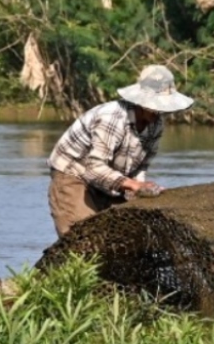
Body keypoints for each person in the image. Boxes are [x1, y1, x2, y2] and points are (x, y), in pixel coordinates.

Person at [47, 64, 194, 237]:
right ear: (141, 101)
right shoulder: (112, 118)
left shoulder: (156, 124)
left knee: (125, 234)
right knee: (82, 238)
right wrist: (134, 185)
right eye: (155, 105)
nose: (159, 111)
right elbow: (94, 169)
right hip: (74, 173)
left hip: (110, 177)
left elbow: (141, 166)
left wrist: (138, 189)